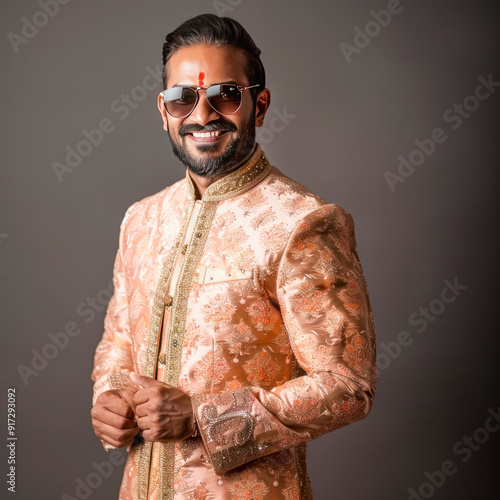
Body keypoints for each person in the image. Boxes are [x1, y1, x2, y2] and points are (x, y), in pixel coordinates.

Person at [90, 13, 376, 500]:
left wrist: (202, 418)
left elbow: (347, 385)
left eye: (225, 95)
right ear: (163, 111)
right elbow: (118, 341)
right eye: (184, 99)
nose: (202, 115)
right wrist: (109, 397)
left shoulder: (302, 222)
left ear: (259, 105)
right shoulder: (141, 220)